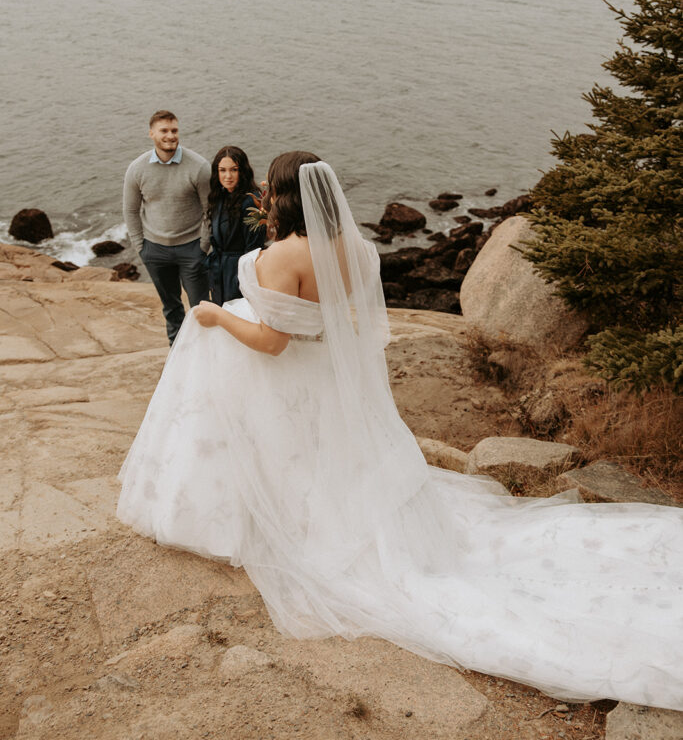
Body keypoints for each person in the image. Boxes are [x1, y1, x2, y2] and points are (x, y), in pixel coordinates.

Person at [117, 152, 682, 711]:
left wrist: (214, 315)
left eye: (269, 186)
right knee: (334, 459)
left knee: (271, 432)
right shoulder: (358, 250)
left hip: (290, 380)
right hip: (335, 380)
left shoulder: (283, 255)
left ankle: (241, 516)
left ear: (285, 196)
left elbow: (271, 342)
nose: (261, 191)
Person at [123, 110, 210, 345]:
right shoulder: (137, 169)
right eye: (164, 131)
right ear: (151, 134)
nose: (170, 136)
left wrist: (203, 246)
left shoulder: (199, 167)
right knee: (171, 308)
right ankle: (177, 355)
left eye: (174, 130)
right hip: (155, 250)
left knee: (201, 307)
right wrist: (140, 246)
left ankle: (206, 353)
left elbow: (209, 210)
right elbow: (131, 211)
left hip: (192, 248)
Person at [206, 146, 266, 306]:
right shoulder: (219, 197)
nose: (228, 176)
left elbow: (254, 248)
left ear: (243, 171)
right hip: (220, 271)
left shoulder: (252, 201)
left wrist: (243, 280)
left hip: (239, 273)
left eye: (234, 170)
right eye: (222, 170)